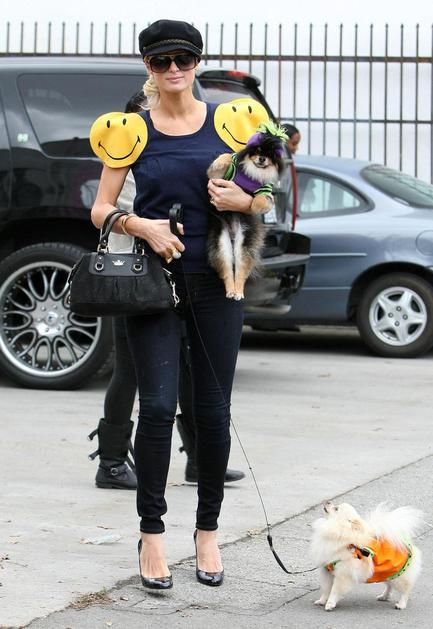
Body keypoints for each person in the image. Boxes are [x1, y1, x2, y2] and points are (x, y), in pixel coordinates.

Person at [90, 19, 266, 590]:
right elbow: (100, 208)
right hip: (154, 286)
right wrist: (138, 224)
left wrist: (244, 199)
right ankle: (152, 534)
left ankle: (208, 532)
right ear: (148, 65)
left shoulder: (231, 122)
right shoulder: (131, 130)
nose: (173, 69)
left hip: (217, 282)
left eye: (184, 59)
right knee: (159, 408)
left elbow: (267, 193)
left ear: (196, 62)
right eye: (162, 60)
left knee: (212, 412)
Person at [88, 91, 245, 491]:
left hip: (188, 276)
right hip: (135, 280)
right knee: (131, 373)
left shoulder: (187, 148)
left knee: (191, 370)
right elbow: (105, 211)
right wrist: (143, 226)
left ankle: (197, 456)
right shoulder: (130, 154)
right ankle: (111, 460)